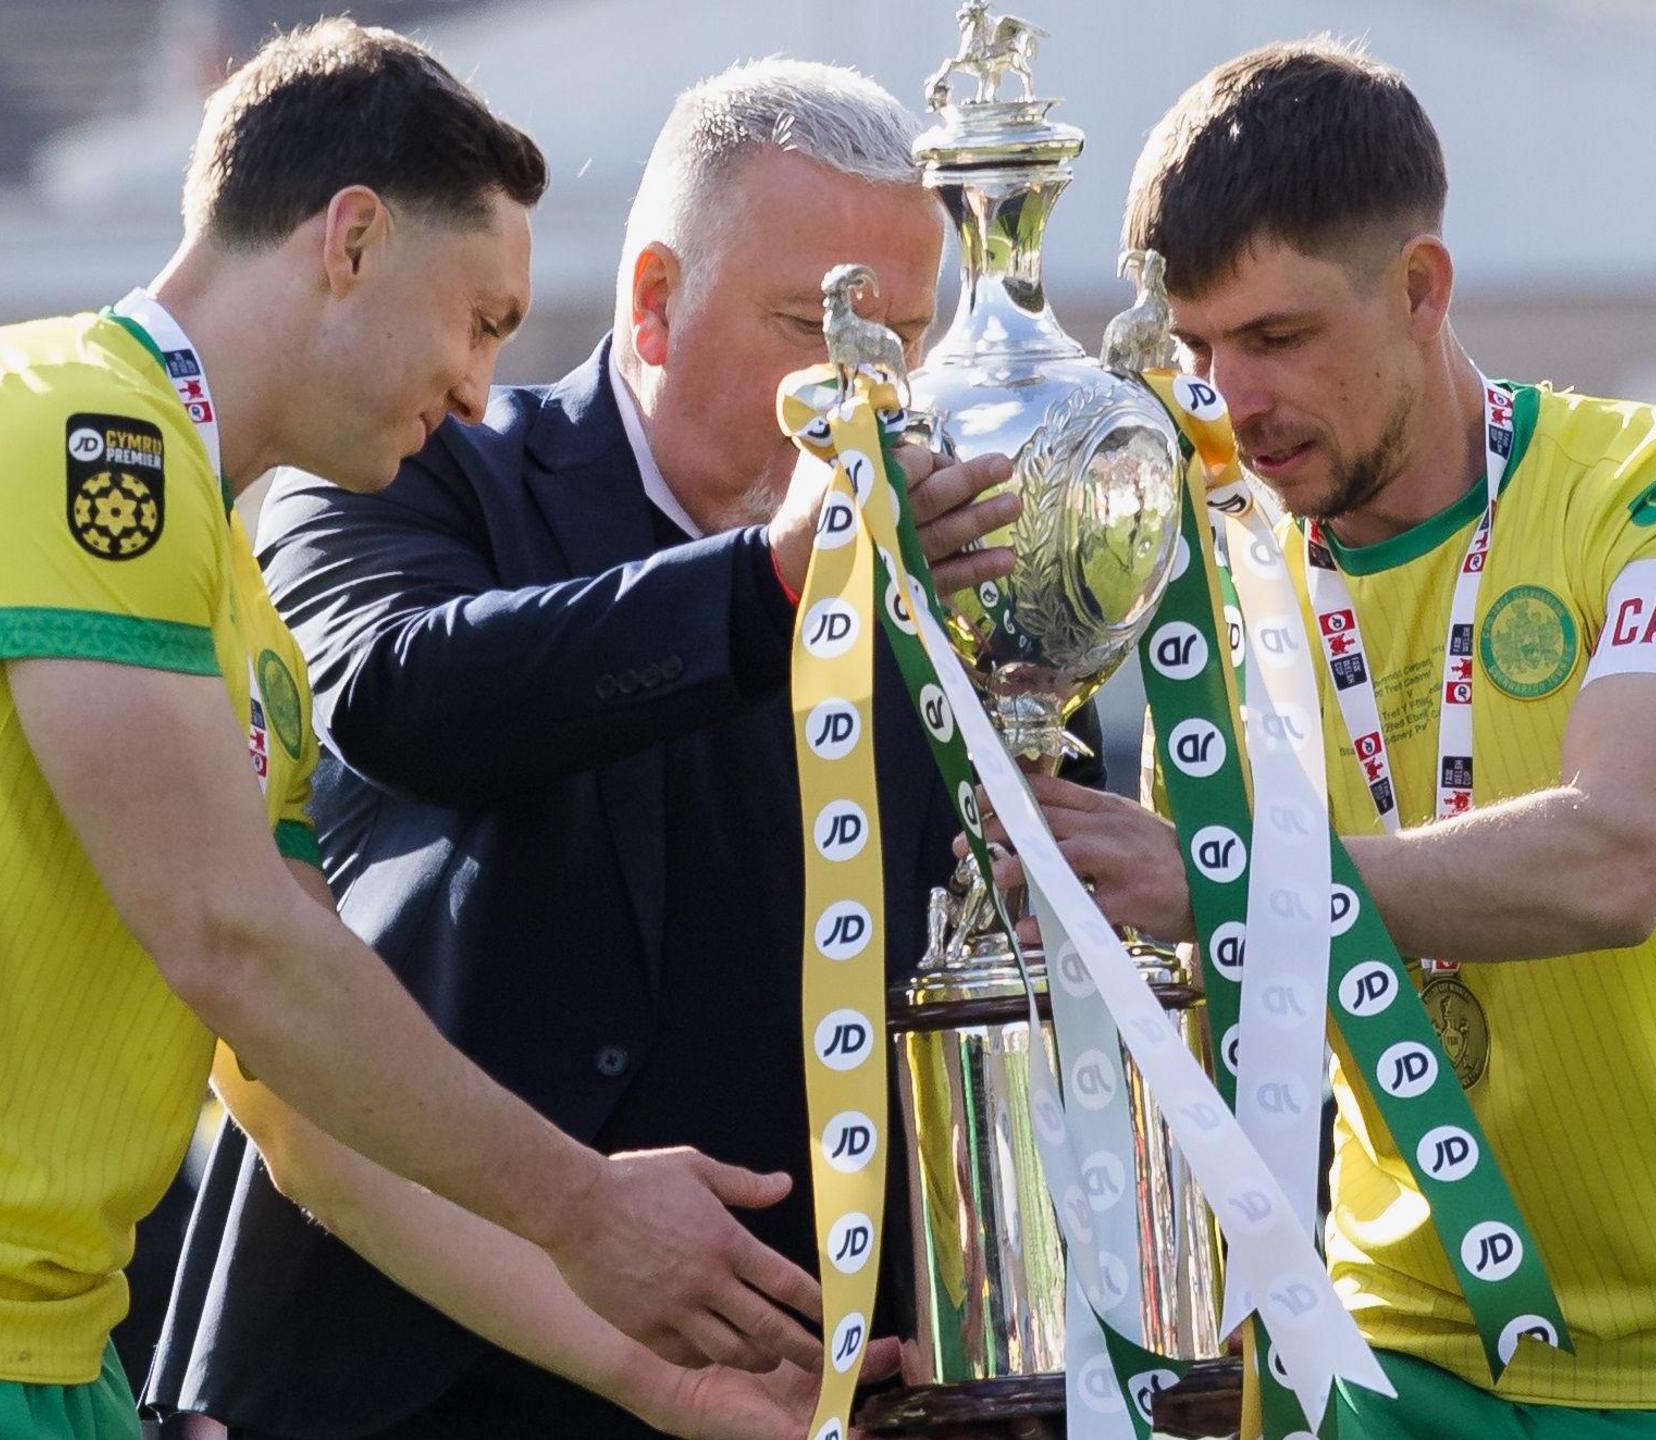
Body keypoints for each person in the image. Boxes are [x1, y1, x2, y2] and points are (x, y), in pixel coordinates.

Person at [0, 22, 823, 1440]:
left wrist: (648, 1371)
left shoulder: (235, 606)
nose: (486, 388)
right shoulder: (71, 426)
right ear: (351, 239)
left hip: (42, 1357)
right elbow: (229, 935)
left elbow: (305, 1110)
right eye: (480, 319)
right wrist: (582, 1204)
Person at [992, 38, 1656, 1440]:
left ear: (1422, 287)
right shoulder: (1211, 587)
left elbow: (1616, 858)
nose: (1234, 403)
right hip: (1399, 1364)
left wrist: (1220, 883)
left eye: (1280, 338)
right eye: (1201, 350)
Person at [144, 58, 1085, 1440]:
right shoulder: (417, 454)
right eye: (817, 328)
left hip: (810, 1393)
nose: (870, 391)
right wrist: (775, 584)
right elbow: (405, 695)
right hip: (417, 1380)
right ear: (652, 301)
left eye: (899, 335)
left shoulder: (943, 564)